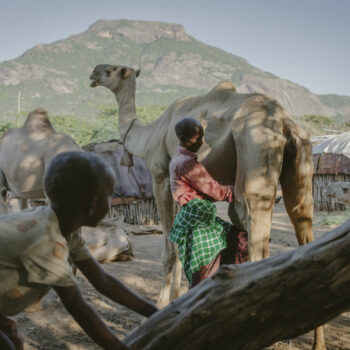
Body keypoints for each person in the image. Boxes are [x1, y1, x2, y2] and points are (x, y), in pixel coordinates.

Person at [0, 151, 158, 350]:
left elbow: (103, 280)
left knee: (11, 340)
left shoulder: (63, 226)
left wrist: (154, 312)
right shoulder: (47, 241)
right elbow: (75, 303)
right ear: (93, 204)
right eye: (109, 195)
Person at [169, 118, 248, 288]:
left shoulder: (179, 160)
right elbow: (216, 191)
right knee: (205, 269)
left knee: (232, 244)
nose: (201, 142)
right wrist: (240, 191)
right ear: (183, 138)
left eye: (201, 137)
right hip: (198, 224)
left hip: (197, 220)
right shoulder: (187, 164)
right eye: (197, 138)